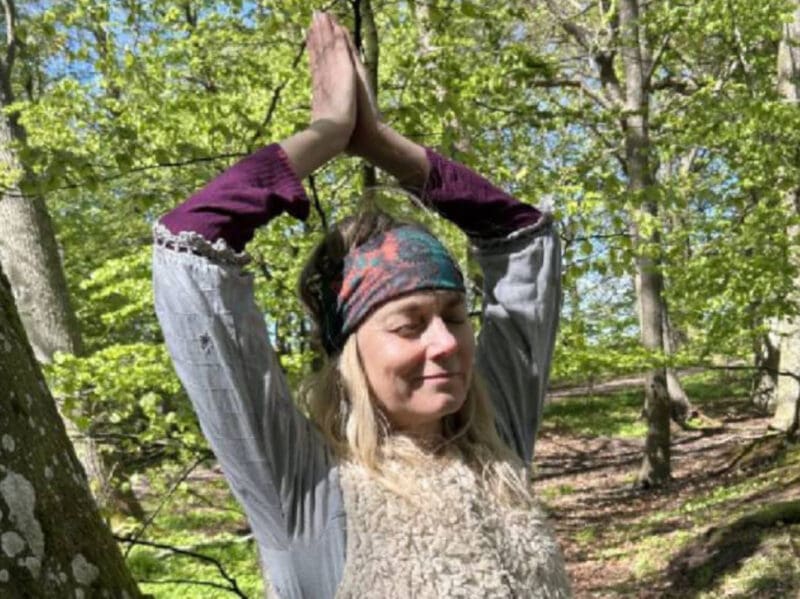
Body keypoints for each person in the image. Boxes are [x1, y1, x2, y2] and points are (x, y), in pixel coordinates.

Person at [153, 11, 571, 599]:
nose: (446, 343)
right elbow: (188, 247)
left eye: (454, 315)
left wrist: (387, 147)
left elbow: (526, 243)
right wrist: (325, 134)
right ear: (350, 351)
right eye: (409, 325)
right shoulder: (304, 489)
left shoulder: (496, 439)